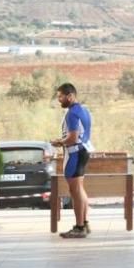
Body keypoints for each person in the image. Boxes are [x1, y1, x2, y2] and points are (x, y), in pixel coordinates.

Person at [51, 83, 94, 239]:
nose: (59, 100)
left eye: (61, 96)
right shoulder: (84, 110)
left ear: (70, 96)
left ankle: (79, 227)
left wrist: (59, 142)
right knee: (80, 189)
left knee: (75, 192)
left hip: (75, 153)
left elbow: (73, 137)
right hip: (83, 151)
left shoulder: (71, 113)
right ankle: (85, 223)